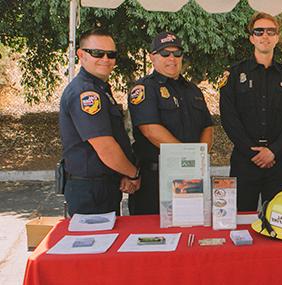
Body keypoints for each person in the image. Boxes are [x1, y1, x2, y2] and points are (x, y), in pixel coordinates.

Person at [219, 12, 282, 211]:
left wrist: (273, 151)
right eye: (259, 31)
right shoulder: (234, 74)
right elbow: (229, 118)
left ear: (277, 37)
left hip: (279, 163)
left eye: (270, 31)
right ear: (252, 38)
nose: (265, 36)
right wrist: (252, 152)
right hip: (245, 162)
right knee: (240, 221)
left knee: (279, 221)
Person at [128, 32, 214, 215]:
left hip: (192, 175)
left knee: (190, 227)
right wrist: (188, 157)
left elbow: (207, 125)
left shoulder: (193, 90)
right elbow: (150, 130)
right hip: (156, 178)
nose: (172, 59)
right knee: (151, 237)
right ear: (152, 56)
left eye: (177, 54)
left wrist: (199, 157)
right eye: (165, 53)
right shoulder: (144, 89)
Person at [59, 29, 140, 216]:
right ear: (81, 55)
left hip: (104, 186)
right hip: (90, 190)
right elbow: (106, 148)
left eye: (111, 54)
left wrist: (123, 173)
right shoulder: (86, 93)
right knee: (94, 244)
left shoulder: (100, 89)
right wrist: (133, 173)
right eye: (97, 53)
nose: (105, 59)